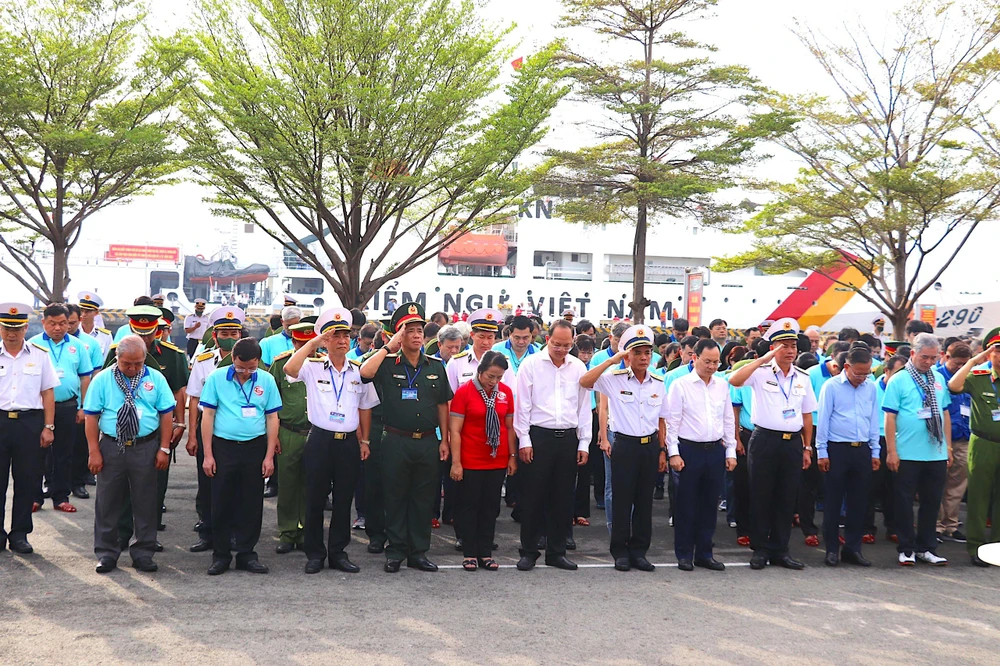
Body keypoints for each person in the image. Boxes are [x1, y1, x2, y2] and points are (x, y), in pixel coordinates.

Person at [285, 308, 379, 574]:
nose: (342, 340)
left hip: (348, 441)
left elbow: (365, 407)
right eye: (335, 335)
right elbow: (291, 369)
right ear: (326, 340)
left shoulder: (358, 371)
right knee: (315, 497)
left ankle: (338, 552)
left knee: (343, 498)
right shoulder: (312, 366)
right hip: (320, 440)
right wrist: (313, 343)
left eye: (345, 335)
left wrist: (365, 441)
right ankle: (315, 553)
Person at [360, 302, 452, 573]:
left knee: (423, 498)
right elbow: (365, 373)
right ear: (398, 335)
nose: (415, 335)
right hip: (395, 440)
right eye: (408, 330)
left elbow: (442, 404)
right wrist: (389, 347)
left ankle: (419, 551)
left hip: (426, 440)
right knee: (395, 496)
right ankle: (396, 550)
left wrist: (444, 440)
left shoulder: (435, 365)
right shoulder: (387, 364)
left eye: (419, 330)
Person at [728, 318, 818, 571]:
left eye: (792, 346)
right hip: (765, 440)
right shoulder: (760, 372)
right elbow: (734, 380)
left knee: (786, 497)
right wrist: (762, 359)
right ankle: (760, 549)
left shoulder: (802, 377)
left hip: (792, 443)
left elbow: (807, 414)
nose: (789, 351)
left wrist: (807, 447)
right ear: (773, 347)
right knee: (761, 495)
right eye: (783, 346)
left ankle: (781, 550)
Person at [83, 335, 175, 574]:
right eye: (127, 364)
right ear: (117, 359)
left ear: (145, 358)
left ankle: (143, 551)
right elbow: (91, 416)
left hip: (145, 446)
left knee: (146, 501)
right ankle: (106, 553)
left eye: (138, 363)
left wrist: (164, 448)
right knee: (107, 501)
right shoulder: (103, 380)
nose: (133, 369)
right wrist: (94, 451)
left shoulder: (155, 379)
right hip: (112, 447)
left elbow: (166, 414)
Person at [581, 325, 665, 572]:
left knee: (644, 501)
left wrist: (662, 450)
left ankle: (639, 552)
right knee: (621, 500)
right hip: (624, 446)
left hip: (649, 446)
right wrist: (613, 359)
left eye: (647, 353)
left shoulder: (658, 383)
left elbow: (663, 419)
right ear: (627, 356)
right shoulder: (614, 380)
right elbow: (585, 382)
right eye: (637, 353)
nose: (643, 357)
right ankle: (620, 551)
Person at [103, 305, 189, 544]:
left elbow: (178, 392)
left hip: (156, 428)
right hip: (122, 428)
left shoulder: (173, 355)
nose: (144, 338)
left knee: (154, 483)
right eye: (138, 332)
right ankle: (122, 533)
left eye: (149, 333)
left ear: (158, 330)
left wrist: (180, 423)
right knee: (120, 487)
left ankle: (149, 534)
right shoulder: (114, 353)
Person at [200, 337, 282, 575]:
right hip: (223, 447)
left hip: (254, 447)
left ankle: (247, 554)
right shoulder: (217, 378)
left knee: (251, 502)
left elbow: (272, 418)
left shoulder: (266, 380)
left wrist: (269, 457)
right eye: (240, 367)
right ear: (233, 359)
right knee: (221, 501)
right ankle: (221, 555)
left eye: (251, 367)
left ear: (258, 362)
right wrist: (208, 454)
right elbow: (208, 416)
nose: (246, 372)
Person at [514, 319, 591, 571]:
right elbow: (522, 405)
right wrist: (524, 439)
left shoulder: (578, 367)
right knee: (533, 496)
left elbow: (583, 408)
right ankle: (528, 551)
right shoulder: (531, 364)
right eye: (557, 344)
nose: (561, 349)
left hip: (568, 438)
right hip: (539, 437)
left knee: (563, 498)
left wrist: (584, 443)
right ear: (547, 339)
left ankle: (556, 552)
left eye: (567, 345)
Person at [663, 338, 737, 571]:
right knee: (686, 505)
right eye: (708, 361)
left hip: (715, 450)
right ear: (695, 358)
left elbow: (727, 419)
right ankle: (684, 554)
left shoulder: (722, 385)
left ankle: (705, 553)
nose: (712, 366)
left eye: (716, 362)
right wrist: (673, 453)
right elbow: (672, 422)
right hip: (688, 450)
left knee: (708, 505)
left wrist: (730, 451)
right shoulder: (681, 385)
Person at [883, 333, 952, 566]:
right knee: (903, 502)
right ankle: (906, 548)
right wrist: (892, 451)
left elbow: (945, 413)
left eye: (934, 358)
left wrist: (949, 446)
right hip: (907, 452)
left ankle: (926, 547)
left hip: (935, 452)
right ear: (913, 354)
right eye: (925, 357)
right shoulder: (899, 380)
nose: (929, 362)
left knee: (931, 502)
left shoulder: (938, 378)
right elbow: (890, 417)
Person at [449, 351, 517, 571]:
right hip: (470, 459)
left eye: (498, 377)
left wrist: (512, 456)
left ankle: (485, 552)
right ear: (480, 371)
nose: (494, 381)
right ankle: (470, 552)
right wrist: (456, 462)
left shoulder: (505, 393)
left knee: (490, 507)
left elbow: (509, 427)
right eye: (490, 376)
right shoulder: (464, 392)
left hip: (496, 459)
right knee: (469, 506)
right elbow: (455, 430)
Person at [185, 307, 245, 553]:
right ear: (215, 334)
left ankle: (233, 533)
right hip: (208, 430)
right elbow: (193, 399)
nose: (229, 336)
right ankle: (207, 531)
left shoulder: (253, 360)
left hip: (237, 432)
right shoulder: (203, 361)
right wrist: (191, 435)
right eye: (224, 332)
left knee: (235, 485)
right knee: (207, 483)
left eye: (234, 332)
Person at [0, 303, 57, 556]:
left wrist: (48, 427)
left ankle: (20, 534)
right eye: (6, 328)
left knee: (26, 481)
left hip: (29, 423)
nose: (11, 333)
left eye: (16, 328)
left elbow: (47, 392)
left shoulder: (39, 354)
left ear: (25, 327)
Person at [815, 345, 880, 566]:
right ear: (846, 367)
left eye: (866, 373)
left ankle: (853, 548)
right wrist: (821, 451)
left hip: (862, 449)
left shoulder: (870, 388)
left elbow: (873, 420)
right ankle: (832, 549)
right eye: (858, 372)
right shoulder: (831, 387)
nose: (862, 377)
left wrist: (875, 450)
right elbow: (823, 420)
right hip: (836, 449)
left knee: (858, 502)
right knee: (833, 502)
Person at [29, 303, 94, 514]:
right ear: (44, 323)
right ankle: (36, 497)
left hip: (68, 407)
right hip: (38, 409)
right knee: (37, 453)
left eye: (63, 323)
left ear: (69, 323)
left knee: (64, 454)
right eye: (53, 323)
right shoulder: (33, 345)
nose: (58, 328)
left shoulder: (78, 346)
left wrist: (84, 407)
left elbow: (85, 378)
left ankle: (61, 497)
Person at [946, 328, 1000, 566]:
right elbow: (954, 386)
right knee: (978, 498)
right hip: (983, 443)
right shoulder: (978, 375)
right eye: (997, 350)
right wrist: (975, 360)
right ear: (990, 352)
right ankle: (977, 548)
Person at [267, 316, 318, 555]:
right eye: (299, 343)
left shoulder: (324, 363)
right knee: (287, 485)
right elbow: (272, 403)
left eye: (308, 343)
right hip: (289, 432)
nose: (303, 348)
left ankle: (309, 531)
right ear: (294, 343)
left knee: (313, 485)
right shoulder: (281, 364)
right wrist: (273, 436)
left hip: (317, 433)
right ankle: (288, 533)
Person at [800, 348, 845, 547]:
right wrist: (806, 443)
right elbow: (804, 410)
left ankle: (832, 531)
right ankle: (809, 529)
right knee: (809, 485)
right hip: (813, 429)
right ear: (836, 366)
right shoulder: (811, 375)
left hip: (836, 434)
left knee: (832, 486)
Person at [865, 355, 907, 543]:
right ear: (887, 371)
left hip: (899, 441)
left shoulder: (906, 388)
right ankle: (867, 528)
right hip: (875, 441)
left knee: (895, 487)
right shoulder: (871, 389)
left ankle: (893, 526)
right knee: (870, 486)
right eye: (897, 372)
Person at [934, 341, 972, 544]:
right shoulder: (936, 377)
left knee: (957, 485)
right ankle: (936, 525)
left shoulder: (970, 376)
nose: (960, 367)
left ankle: (951, 524)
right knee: (938, 483)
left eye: (964, 363)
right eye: (957, 362)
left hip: (965, 437)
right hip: (941, 438)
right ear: (946, 357)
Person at [66, 303, 104, 500]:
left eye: (72, 323)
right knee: (54, 447)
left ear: (79, 320)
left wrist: (89, 404)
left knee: (80, 444)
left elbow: (96, 375)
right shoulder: (42, 344)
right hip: (56, 404)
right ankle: (52, 482)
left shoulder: (90, 344)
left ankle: (78, 482)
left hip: (83, 403)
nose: (68, 327)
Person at [77, 292, 113, 358]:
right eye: (81, 311)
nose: (84, 314)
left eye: (88, 311)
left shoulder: (105, 336)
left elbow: (107, 360)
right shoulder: (73, 332)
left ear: (96, 313)